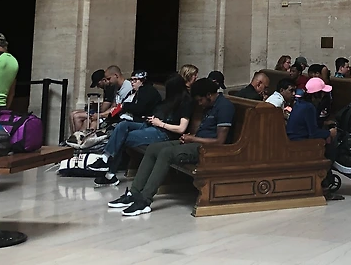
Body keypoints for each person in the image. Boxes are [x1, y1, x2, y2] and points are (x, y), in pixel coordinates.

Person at [108, 79, 233, 216]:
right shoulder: (209, 105)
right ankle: (134, 193)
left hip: (208, 150)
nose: (199, 104)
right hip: (195, 142)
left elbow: (219, 141)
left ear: (209, 95)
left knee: (166, 153)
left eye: (200, 100)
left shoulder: (224, 107)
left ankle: (145, 200)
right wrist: (190, 137)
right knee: (153, 149)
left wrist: (193, 139)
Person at [93, 76, 192, 188]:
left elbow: (181, 128)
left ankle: (110, 174)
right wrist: (152, 118)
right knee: (123, 125)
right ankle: (105, 158)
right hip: (152, 126)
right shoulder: (171, 100)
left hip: (164, 133)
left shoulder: (185, 102)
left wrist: (160, 124)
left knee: (122, 138)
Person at [286, 77, 335, 145]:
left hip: (292, 139)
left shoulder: (300, 103)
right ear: (317, 94)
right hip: (298, 143)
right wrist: (330, 133)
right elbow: (313, 133)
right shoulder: (309, 107)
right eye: (323, 93)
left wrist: (324, 123)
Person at [70, 69, 106, 134]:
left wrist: (97, 106)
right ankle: (73, 135)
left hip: (100, 114)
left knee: (76, 116)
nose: (98, 87)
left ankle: (78, 136)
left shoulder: (110, 89)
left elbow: (103, 109)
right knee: (72, 113)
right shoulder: (106, 89)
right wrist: (97, 104)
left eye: (98, 84)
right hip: (98, 111)